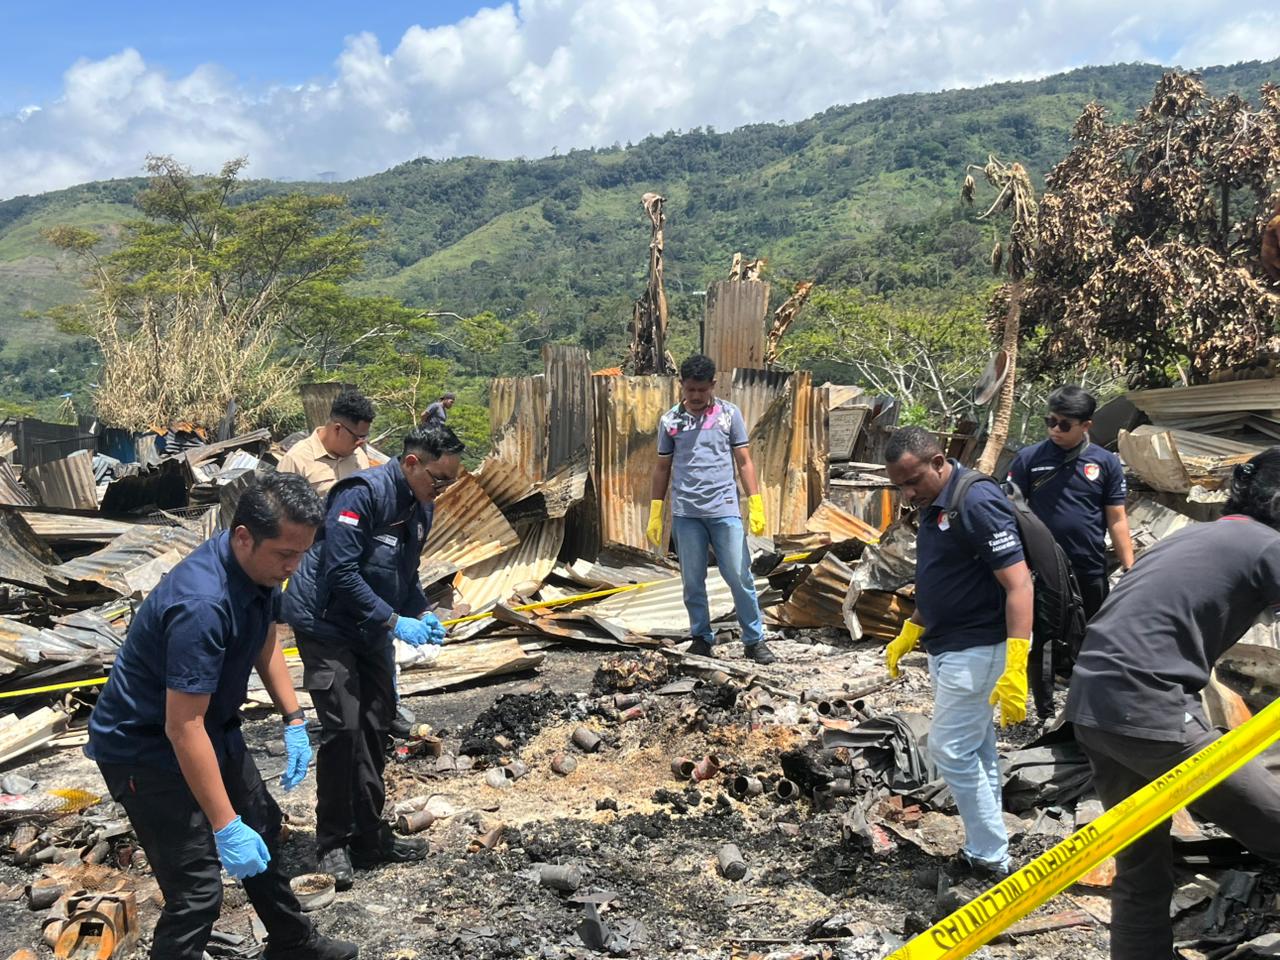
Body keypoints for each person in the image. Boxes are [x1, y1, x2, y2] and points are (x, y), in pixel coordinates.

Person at [86, 473, 356, 960]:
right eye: (285, 555)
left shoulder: (258, 569)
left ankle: (292, 944)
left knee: (264, 830)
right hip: (145, 749)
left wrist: (293, 716)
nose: (293, 567)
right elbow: (182, 727)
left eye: (302, 554)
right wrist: (224, 823)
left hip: (210, 728)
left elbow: (265, 635)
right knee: (198, 889)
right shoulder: (202, 604)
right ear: (244, 537)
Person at [1065, 447, 1280, 960]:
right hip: (1149, 708)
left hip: (1092, 705)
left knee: (1141, 862)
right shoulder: (1268, 545)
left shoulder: (1194, 536)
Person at [281, 424, 463, 890]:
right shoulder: (360, 495)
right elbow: (341, 572)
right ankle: (332, 842)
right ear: (412, 463)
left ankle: (368, 834)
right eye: (439, 479)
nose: (442, 490)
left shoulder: (421, 506)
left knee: (377, 724)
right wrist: (394, 621)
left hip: (371, 626)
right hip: (327, 623)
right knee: (344, 728)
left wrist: (420, 611)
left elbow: (405, 572)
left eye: (450, 482)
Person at [882, 427, 1034, 877]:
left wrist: (1017, 659)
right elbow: (945, 576)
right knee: (976, 748)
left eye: (913, 481)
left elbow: (1019, 582)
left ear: (939, 461)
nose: (908, 494)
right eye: (900, 486)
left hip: (978, 645)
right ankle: (989, 846)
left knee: (949, 750)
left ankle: (989, 855)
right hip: (950, 644)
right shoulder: (936, 504)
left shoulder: (976, 501)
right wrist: (913, 628)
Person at [646, 354, 775, 665]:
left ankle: (754, 640)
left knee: (738, 575)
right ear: (681, 385)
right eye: (690, 389)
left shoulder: (729, 415)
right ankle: (701, 638)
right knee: (692, 581)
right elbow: (662, 467)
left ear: (713, 385)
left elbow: (744, 460)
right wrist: (656, 510)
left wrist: (755, 501)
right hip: (686, 513)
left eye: (702, 390)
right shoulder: (670, 421)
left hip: (724, 510)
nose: (695, 396)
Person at [1007, 385, 1134, 618]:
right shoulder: (1028, 458)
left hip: (1089, 567)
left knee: (1091, 631)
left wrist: (1129, 567)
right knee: (1045, 633)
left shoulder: (1106, 463)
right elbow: (1011, 512)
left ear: (1086, 426)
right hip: (1043, 568)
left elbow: (1116, 518)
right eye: (1051, 421)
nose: (1055, 429)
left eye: (1065, 425)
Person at [277, 390, 375, 497]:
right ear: (337, 429)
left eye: (364, 437)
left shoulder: (359, 456)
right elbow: (279, 504)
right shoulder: (296, 460)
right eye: (358, 437)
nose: (361, 443)